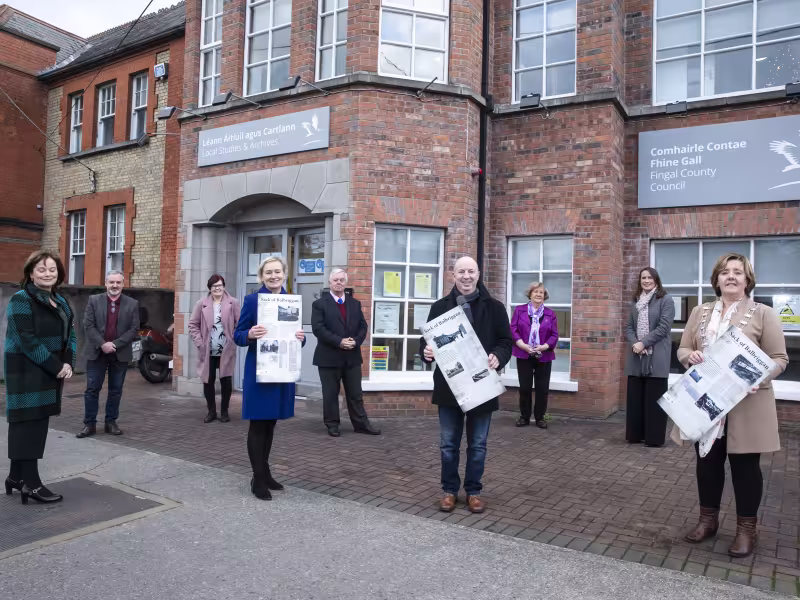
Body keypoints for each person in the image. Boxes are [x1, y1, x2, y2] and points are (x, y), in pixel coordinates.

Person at [677, 253, 788, 558]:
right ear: (716, 279)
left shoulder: (764, 314)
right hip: (706, 404)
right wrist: (690, 357)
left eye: (738, 272)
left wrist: (759, 377)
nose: (731, 276)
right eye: (725, 272)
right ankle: (708, 521)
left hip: (747, 404)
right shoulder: (699, 312)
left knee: (745, 470)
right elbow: (684, 348)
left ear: (747, 280)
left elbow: (780, 359)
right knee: (707, 466)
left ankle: (746, 531)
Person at [419, 256, 512, 514]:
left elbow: (506, 341)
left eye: (471, 271)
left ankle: (473, 491)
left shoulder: (495, 307)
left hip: (482, 386)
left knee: (478, 443)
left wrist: (498, 356)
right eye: (462, 272)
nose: (467, 276)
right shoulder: (439, 307)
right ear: (454, 275)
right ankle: (449, 491)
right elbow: (425, 342)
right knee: (448, 443)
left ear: (479, 274)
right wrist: (426, 352)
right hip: (450, 387)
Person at [5, 251, 76, 504]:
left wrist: (68, 361)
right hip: (26, 369)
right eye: (42, 269)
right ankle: (31, 483)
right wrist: (56, 366)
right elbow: (27, 339)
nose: (48, 274)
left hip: (50, 368)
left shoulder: (60, 300)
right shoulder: (21, 299)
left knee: (36, 421)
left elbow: (71, 334)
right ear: (31, 273)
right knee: (28, 423)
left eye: (52, 270)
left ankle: (15, 477)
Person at [234, 256, 305, 500]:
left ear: (284, 273)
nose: (273, 276)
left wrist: (300, 338)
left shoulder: (290, 301)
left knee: (271, 423)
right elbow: (238, 334)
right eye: (268, 272)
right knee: (258, 423)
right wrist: (250, 334)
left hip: (282, 369)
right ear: (261, 276)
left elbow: (296, 338)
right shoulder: (252, 301)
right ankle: (257, 479)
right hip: (260, 369)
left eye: (277, 271)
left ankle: (263, 473)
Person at [311, 268, 381, 437]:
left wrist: (355, 341)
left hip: (351, 357)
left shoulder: (354, 303)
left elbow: (363, 326)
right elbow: (318, 328)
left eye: (342, 280)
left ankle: (361, 424)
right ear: (330, 282)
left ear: (346, 283)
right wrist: (339, 341)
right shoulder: (319, 304)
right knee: (330, 394)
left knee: (355, 393)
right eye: (335, 280)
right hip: (328, 357)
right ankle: (332, 424)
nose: (339, 283)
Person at [77, 270, 140, 438]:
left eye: (118, 282)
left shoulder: (132, 303)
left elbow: (134, 329)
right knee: (92, 389)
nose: (115, 285)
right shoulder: (93, 300)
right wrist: (103, 344)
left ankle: (110, 422)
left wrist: (115, 344)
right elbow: (88, 325)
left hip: (120, 353)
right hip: (97, 352)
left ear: (123, 284)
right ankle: (89, 424)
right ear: (105, 283)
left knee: (116, 390)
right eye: (111, 282)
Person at [624, 267, 674, 447]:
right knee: (636, 399)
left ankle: (653, 439)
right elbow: (629, 327)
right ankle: (635, 435)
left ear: (656, 280)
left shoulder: (665, 300)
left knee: (654, 400)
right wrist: (635, 343)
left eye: (649, 277)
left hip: (656, 356)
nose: (646, 280)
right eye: (643, 278)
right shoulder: (636, 301)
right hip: (637, 355)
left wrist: (643, 343)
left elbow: (664, 327)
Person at [188, 274, 241, 423]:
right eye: (214, 286)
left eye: (220, 285)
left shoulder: (233, 303)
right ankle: (211, 411)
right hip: (208, 349)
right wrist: (199, 342)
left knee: (226, 380)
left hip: (226, 348)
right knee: (208, 380)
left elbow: (240, 323)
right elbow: (193, 324)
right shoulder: (201, 304)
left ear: (224, 286)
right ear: (210, 288)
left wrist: (233, 339)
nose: (217, 288)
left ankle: (224, 411)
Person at [510, 282, 559, 429]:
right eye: (536, 292)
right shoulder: (519, 311)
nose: (538, 295)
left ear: (545, 296)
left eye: (541, 293)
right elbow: (513, 329)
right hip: (524, 353)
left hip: (544, 355)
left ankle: (540, 417)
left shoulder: (550, 314)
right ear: (530, 294)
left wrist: (544, 346)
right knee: (524, 387)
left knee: (542, 388)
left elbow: (554, 335)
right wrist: (522, 345)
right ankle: (524, 417)